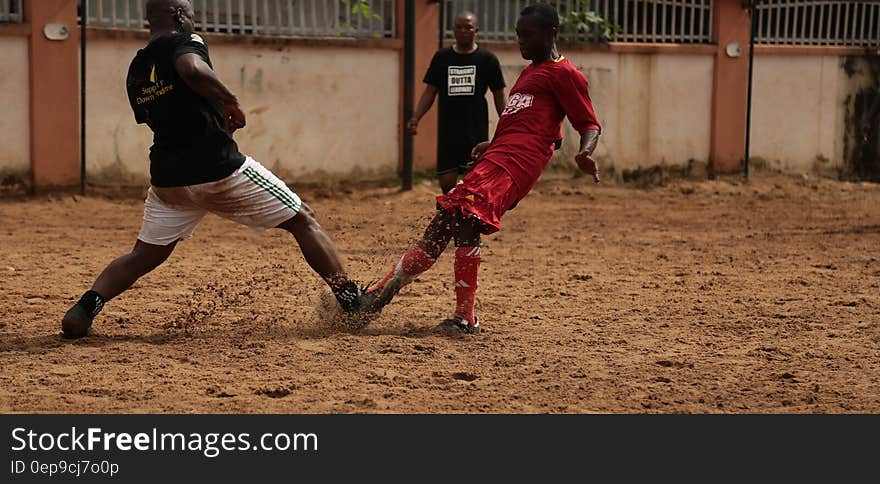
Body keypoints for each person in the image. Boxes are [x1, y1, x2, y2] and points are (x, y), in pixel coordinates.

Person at [61, 0, 368, 339]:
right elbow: (192, 70)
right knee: (303, 219)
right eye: (192, 12)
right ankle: (352, 301)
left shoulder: (138, 65)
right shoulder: (186, 41)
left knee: (143, 255)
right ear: (180, 15)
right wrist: (229, 100)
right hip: (217, 169)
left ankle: (85, 308)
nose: (195, 19)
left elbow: (159, 116)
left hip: (168, 179)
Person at [360, 3, 602, 334]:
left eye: (528, 36)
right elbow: (529, 124)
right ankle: (378, 295)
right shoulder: (529, 73)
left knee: (467, 220)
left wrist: (586, 152)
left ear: (551, 33)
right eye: (518, 36)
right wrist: (493, 142)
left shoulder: (565, 74)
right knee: (443, 223)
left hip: (513, 167)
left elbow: (588, 123)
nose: (522, 43)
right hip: (497, 158)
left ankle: (464, 317)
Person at [407, 11, 507, 194]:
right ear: (453, 30)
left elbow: (498, 95)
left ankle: (469, 219)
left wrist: (509, 124)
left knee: (474, 182)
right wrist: (416, 117)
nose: (463, 31)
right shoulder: (442, 58)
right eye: (459, 27)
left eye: (468, 27)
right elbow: (430, 91)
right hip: (448, 130)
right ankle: (452, 218)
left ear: (476, 30)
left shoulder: (487, 60)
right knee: (447, 185)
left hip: (476, 130)